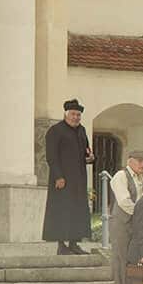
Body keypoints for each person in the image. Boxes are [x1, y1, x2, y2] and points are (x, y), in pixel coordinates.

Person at [41, 99, 93, 255]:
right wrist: (58, 176)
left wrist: (90, 158)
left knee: (77, 210)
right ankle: (61, 245)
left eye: (78, 115)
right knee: (62, 210)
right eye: (73, 114)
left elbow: (86, 152)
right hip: (62, 180)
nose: (76, 117)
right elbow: (51, 156)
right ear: (66, 114)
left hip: (79, 180)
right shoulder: (55, 131)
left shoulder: (82, 130)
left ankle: (74, 243)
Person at [107, 150, 143, 284]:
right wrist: (141, 215)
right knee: (121, 260)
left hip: (135, 224)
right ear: (130, 161)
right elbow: (124, 201)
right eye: (140, 161)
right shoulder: (120, 176)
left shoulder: (141, 178)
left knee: (134, 260)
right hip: (122, 223)